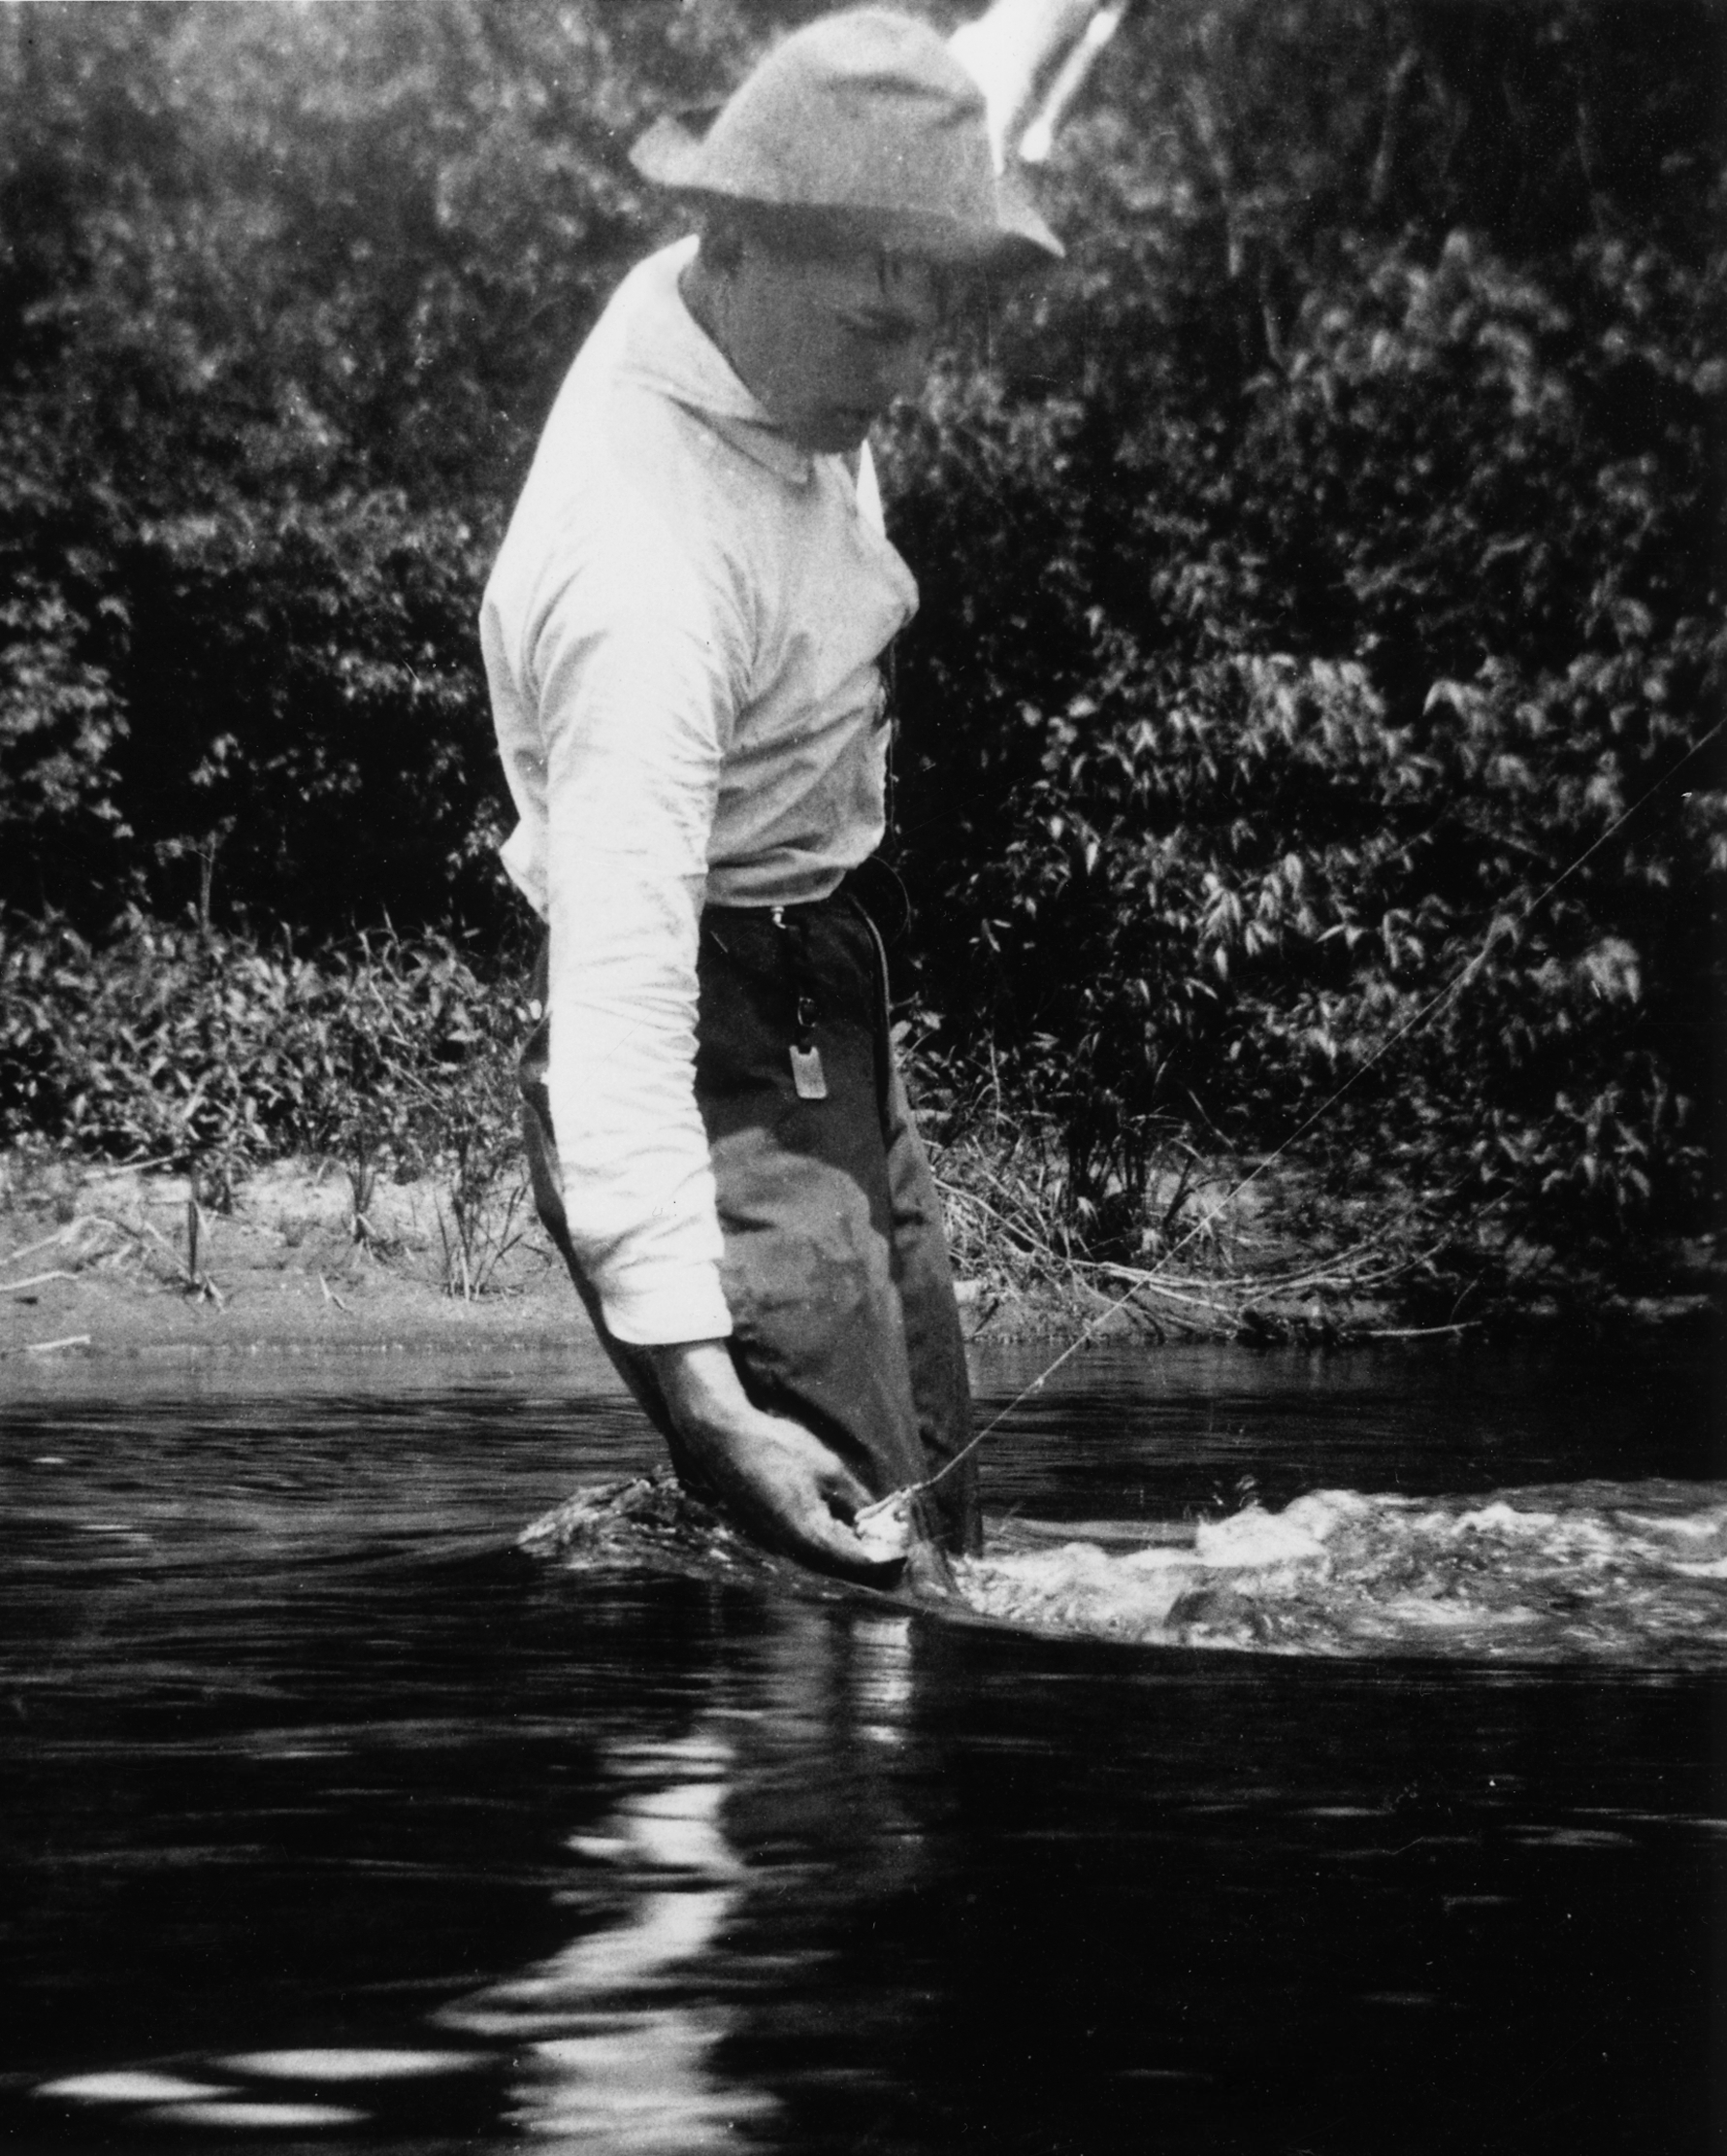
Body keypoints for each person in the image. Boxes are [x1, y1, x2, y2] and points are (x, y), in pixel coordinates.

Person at [481, 8, 1060, 1584]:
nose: (910, 360)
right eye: (872, 323)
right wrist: (703, 1404)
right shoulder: (641, 580)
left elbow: (966, 93)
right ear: (730, 246)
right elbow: (615, 1015)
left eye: (933, 310)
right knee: (864, 1569)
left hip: (837, 1000)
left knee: (949, 1541)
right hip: (709, 1047)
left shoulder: (792, 256)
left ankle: (690, 1566)